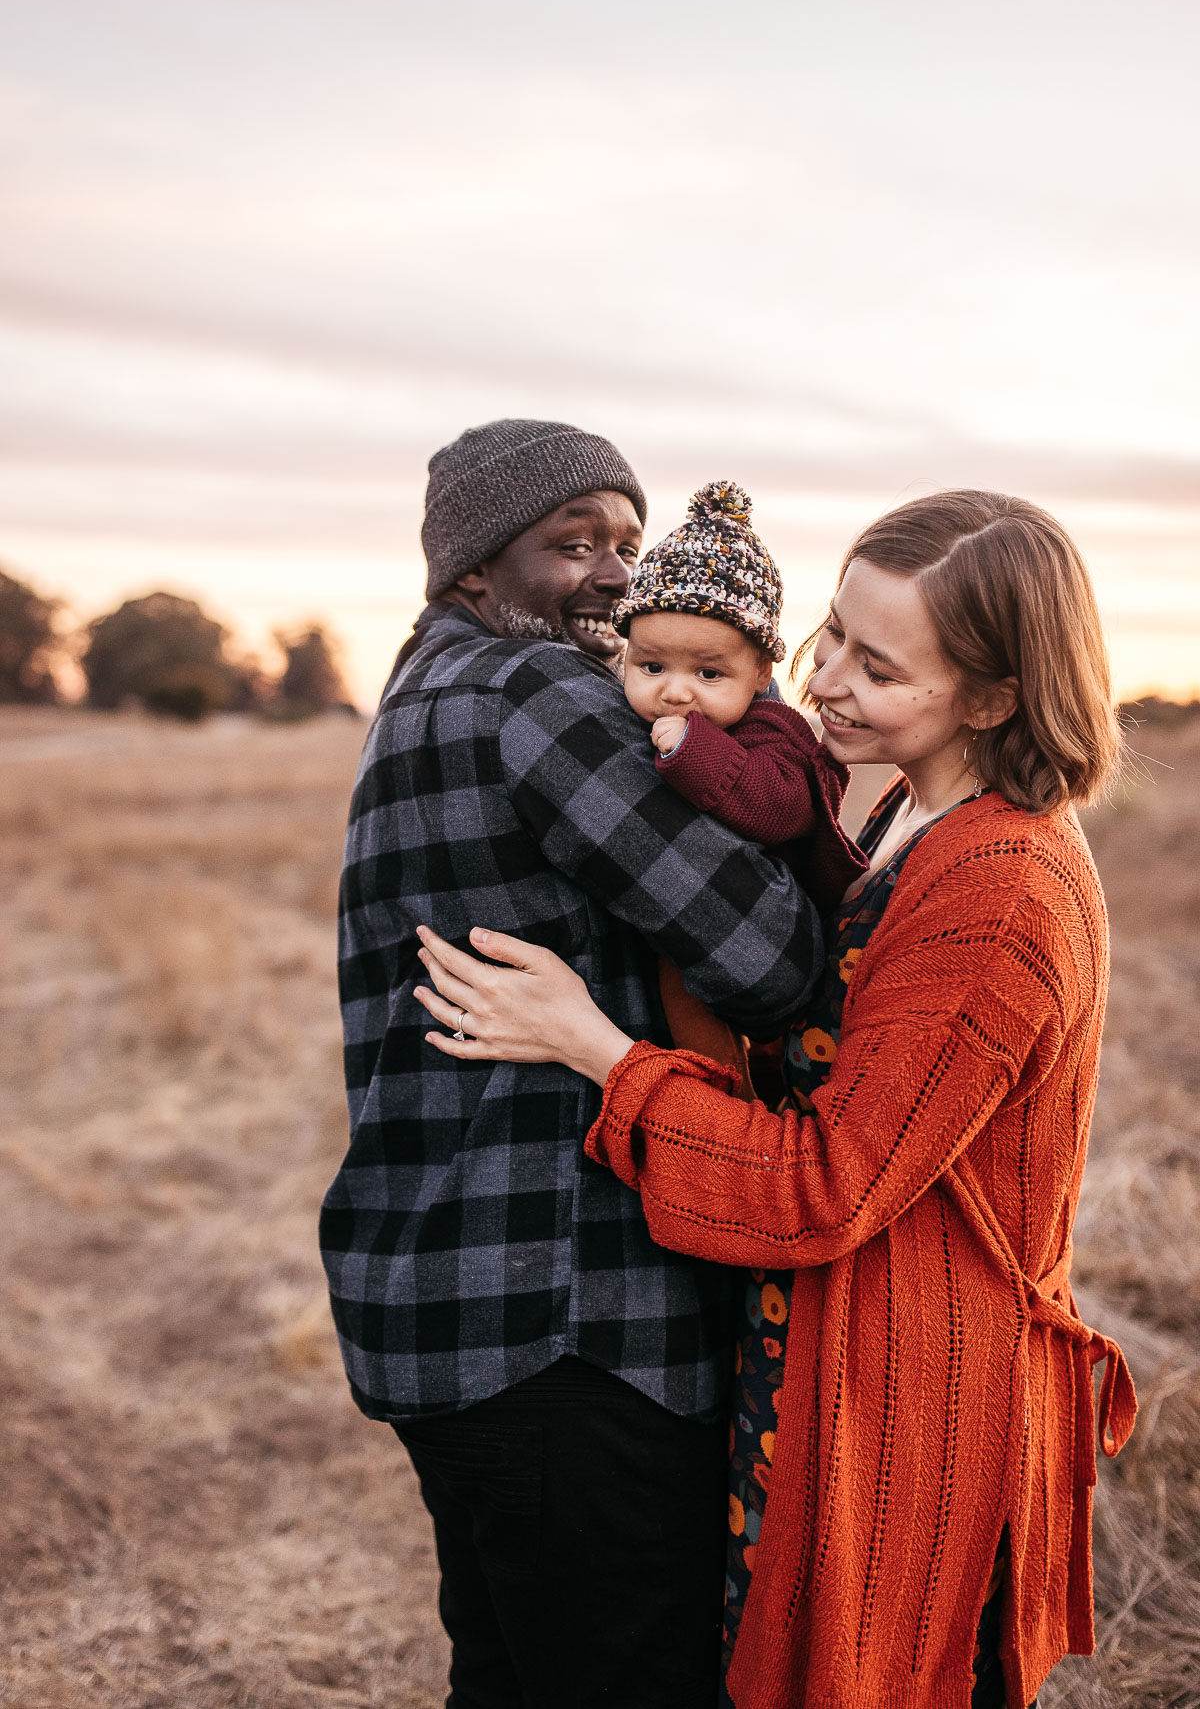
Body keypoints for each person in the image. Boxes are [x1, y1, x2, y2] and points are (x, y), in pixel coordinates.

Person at [413, 489, 1138, 1709]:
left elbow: (829, 1179)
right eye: (835, 636)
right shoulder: (914, 812)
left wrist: (596, 1047)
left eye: (882, 666)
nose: (830, 681)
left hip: (916, 1391)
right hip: (843, 1352)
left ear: (997, 697)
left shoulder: (1002, 884)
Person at [320, 418, 825, 1709]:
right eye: (571, 541)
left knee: (506, 1669)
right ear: (474, 571)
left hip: (437, 1295)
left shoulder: (416, 693)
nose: (612, 572)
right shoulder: (532, 694)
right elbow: (766, 952)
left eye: (625, 538)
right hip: (569, 1315)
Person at [615, 477, 865, 918]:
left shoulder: (774, 732)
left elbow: (783, 810)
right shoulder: (619, 710)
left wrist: (694, 751)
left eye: (708, 673)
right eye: (651, 667)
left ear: (760, 673)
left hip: (759, 917)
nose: (674, 693)